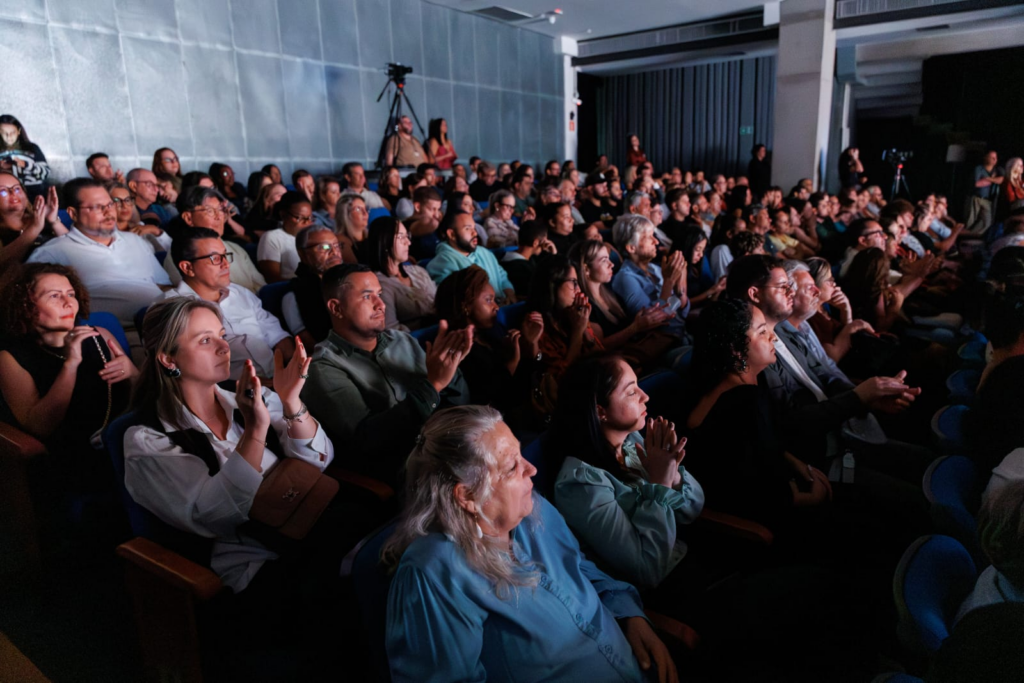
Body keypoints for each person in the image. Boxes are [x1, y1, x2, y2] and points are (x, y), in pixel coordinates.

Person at [382, 405, 678, 683]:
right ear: (468, 496)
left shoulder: (530, 508)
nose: (531, 469)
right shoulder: (434, 572)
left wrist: (629, 614)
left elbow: (579, 568)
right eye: (512, 467)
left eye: (521, 454)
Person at [123, 297, 334, 596]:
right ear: (169, 359)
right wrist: (255, 431)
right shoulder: (148, 439)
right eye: (205, 340)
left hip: (306, 523)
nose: (224, 347)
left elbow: (319, 460)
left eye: (222, 335)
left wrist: (290, 402)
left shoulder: (244, 396)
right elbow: (216, 515)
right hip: (255, 563)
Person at [300, 264, 470, 484]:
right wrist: (433, 384)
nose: (381, 304)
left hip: (443, 446)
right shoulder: (323, 368)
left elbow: (459, 402)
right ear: (336, 308)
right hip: (405, 470)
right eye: (367, 296)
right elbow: (369, 440)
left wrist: (451, 370)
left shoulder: (402, 340)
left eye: (379, 294)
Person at [549, 354, 704, 589]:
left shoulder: (631, 441)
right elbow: (649, 569)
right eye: (632, 392)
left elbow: (693, 510)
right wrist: (660, 482)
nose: (645, 396)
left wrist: (671, 473)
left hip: (685, 555)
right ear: (600, 411)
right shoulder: (582, 484)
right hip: (661, 592)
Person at [685, 298, 829, 527]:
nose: (773, 336)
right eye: (763, 332)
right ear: (736, 348)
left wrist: (796, 463)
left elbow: (766, 447)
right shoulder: (744, 402)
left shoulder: (732, 383)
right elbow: (755, 493)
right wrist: (812, 498)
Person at [0, 263, 136, 469]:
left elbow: (145, 396)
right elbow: (40, 427)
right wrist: (71, 365)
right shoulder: (10, 357)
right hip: (71, 455)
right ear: (25, 304)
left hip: (123, 437)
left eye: (71, 294)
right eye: (54, 296)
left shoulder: (100, 335)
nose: (68, 303)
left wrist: (132, 373)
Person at [27, 178, 172, 325]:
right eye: (97, 207)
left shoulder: (135, 241)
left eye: (110, 204)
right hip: (116, 334)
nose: (108, 212)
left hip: (167, 323)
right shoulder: (52, 252)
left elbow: (161, 284)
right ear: (73, 213)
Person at [166, 229, 293, 381]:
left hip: (278, 380)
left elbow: (277, 335)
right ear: (187, 267)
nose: (226, 264)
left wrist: (296, 369)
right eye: (215, 258)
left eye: (225, 256)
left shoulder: (241, 293)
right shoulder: (171, 309)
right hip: (231, 394)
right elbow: (183, 374)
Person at [434, 266, 542, 413]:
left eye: (494, 299)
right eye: (488, 300)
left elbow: (531, 378)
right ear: (466, 306)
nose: (496, 307)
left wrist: (532, 343)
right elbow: (499, 402)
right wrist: (512, 362)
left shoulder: (490, 333)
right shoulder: (460, 350)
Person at [163, 186, 267, 294]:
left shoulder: (236, 249)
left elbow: (261, 288)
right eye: (210, 211)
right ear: (188, 218)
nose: (219, 217)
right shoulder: (180, 256)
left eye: (220, 210)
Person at [571, 239, 672, 344]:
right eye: (604, 260)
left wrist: (647, 316)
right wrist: (635, 327)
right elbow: (598, 347)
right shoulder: (584, 305)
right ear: (586, 269)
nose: (612, 264)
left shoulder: (610, 293)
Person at [611, 214, 689, 339]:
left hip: (681, 335)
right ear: (632, 247)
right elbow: (653, 323)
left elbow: (683, 312)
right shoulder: (625, 279)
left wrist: (681, 288)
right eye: (649, 237)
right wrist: (669, 281)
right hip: (660, 346)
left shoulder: (655, 268)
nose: (656, 241)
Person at [426, 210, 516, 304]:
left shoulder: (484, 252)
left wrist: (510, 295)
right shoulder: (440, 264)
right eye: (468, 228)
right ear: (452, 234)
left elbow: (501, 276)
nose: (475, 233)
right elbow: (457, 302)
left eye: (474, 227)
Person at [366, 216, 436, 332]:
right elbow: (391, 330)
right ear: (385, 241)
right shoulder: (380, 286)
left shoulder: (417, 271)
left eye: (407, 236)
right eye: (401, 237)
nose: (408, 242)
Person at [280, 225, 343, 348]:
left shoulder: (351, 280)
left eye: (336, 245)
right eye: (324, 247)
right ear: (303, 254)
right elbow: (308, 343)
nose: (334, 252)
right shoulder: (294, 295)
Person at [0, 173, 65, 265]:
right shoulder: (37, 223)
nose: (13, 193)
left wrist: (54, 221)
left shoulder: (40, 218)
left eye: (17, 188)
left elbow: (77, 249)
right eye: (3, 191)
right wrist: (34, 229)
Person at [257, 191, 311, 283]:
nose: (306, 222)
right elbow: (272, 279)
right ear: (283, 215)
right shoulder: (272, 238)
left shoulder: (313, 237)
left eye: (309, 218)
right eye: (300, 218)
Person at [499, 219, 554, 298]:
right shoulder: (519, 268)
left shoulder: (509, 257)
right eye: (545, 241)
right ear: (535, 243)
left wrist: (552, 255)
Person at [109, 182, 168, 251]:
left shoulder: (141, 227)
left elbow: (173, 252)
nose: (124, 206)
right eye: (117, 200)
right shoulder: (107, 238)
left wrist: (156, 231)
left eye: (127, 200)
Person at [0, 114, 49, 198]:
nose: (9, 136)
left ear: (19, 131)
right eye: (4, 133)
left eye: (12, 132)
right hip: (7, 196)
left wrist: (26, 165)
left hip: (34, 193)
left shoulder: (32, 148)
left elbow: (45, 172)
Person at [966, 150, 1003, 235]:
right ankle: (965, 237)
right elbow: (977, 183)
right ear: (986, 158)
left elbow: (1001, 180)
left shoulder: (996, 170)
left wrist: (987, 179)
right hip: (976, 197)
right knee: (971, 220)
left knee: (987, 222)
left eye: (996, 158)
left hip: (988, 200)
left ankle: (975, 236)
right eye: (992, 157)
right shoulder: (979, 168)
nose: (995, 159)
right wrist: (994, 180)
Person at [407, 185, 442, 260]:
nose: (436, 214)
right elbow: (418, 227)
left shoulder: (436, 221)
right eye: (433, 209)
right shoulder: (407, 225)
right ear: (418, 207)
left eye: (438, 209)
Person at [335, 193, 370, 264]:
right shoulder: (340, 240)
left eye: (365, 209)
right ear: (345, 214)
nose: (365, 213)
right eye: (358, 209)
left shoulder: (372, 236)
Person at [999, 156, 1024, 222]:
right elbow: (1011, 198)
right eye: (1019, 165)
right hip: (1014, 210)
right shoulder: (1007, 182)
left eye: (1022, 165)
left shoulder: (1021, 182)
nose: (1022, 167)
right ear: (1013, 167)